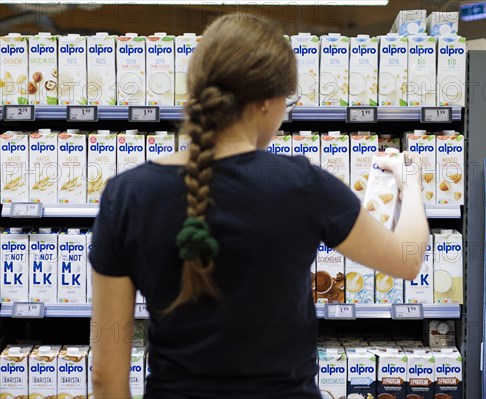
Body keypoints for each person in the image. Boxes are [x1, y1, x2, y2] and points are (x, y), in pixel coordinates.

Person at [90, 14, 428, 399]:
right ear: (268, 101)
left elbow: (106, 376)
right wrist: (411, 185)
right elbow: (407, 258)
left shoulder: (126, 195)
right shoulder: (301, 184)